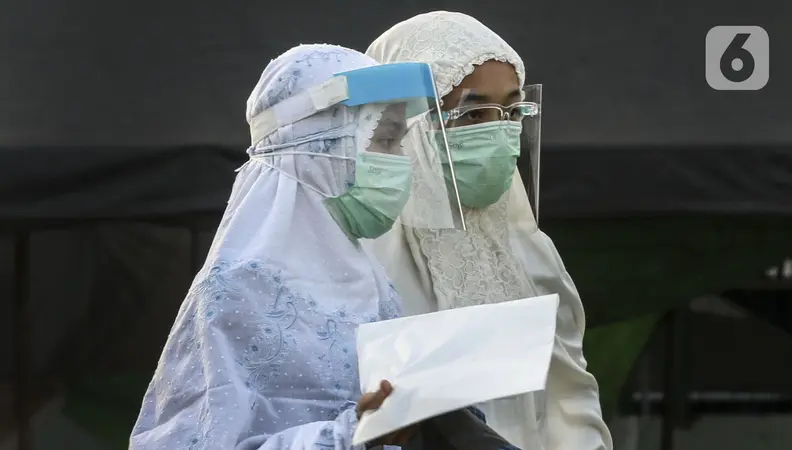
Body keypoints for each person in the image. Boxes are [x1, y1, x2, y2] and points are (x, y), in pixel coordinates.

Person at [128, 43, 463, 449]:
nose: (397, 160)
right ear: (320, 145)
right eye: (384, 139)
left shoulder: (373, 280)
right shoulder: (237, 286)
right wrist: (344, 437)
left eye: (398, 143)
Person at [365, 11, 614, 450]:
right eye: (474, 112)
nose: (499, 131)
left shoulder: (530, 248)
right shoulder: (358, 257)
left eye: (512, 110)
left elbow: (569, 400)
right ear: (405, 122)